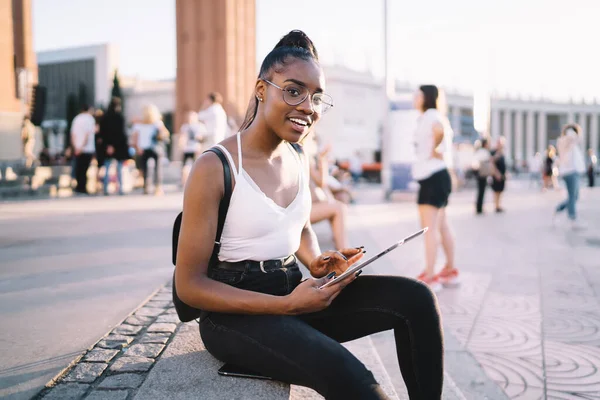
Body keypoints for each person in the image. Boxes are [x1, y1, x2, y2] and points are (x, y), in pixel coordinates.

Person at [175, 30, 443, 399]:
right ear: (261, 89)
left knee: (416, 300)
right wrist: (285, 307)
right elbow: (188, 285)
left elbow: (298, 227)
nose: (308, 106)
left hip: (292, 289)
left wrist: (319, 262)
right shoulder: (215, 166)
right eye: (293, 90)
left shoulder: (298, 157)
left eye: (316, 96)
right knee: (352, 376)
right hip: (233, 317)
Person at [411, 85, 457, 291]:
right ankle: (450, 269)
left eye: (417, 95)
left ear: (426, 98)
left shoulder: (430, 115)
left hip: (432, 176)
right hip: (440, 175)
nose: (414, 97)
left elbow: (438, 130)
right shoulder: (433, 115)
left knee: (429, 228)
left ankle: (430, 276)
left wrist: (435, 148)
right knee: (442, 225)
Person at [307, 139, 349, 248]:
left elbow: (322, 182)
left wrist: (322, 158)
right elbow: (322, 182)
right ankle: (343, 251)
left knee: (337, 203)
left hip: (306, 207)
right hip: (299, 210)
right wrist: (322, 158)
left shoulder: (307, 156)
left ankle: (339, 242)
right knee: (339, 208)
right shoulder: (302, 154)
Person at [131, 104, 170, 195]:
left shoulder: (138, 124)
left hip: (143, 149)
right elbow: (166, 133)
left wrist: (137, 148)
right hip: (156, 148)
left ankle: (146, 187)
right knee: (158, 168)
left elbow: (135, 138)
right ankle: (158, 188)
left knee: (145, 169)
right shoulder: (157, 123)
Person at [554, 124, 586, 229]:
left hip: (573, 171)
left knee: (575, 196)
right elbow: (575, 138)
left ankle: (559, 208)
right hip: (569, 171)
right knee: (573, 196)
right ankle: (572, 218)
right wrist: (574, 132)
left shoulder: (570, 143)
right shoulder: (565, 140)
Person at [99, 97, 129, 195]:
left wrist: (108, 146)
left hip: (107, 146)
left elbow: (102, 133)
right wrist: (115, 146)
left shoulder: (104, 118)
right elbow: (121, 133)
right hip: (118, 146)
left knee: (107, 167)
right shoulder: (119, 117)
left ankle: (105, 188)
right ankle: (120, 188)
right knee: (119, 168)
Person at [70, 104, 96, 194]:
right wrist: (82, 146)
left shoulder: (76, 119)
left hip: (77, 147)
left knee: (78, 168)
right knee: (84, 169)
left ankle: (78, 187)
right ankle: (82, 187)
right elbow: (87, 134)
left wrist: (76, 147)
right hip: (86, 148)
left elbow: (72, 134)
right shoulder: (90, 119)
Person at [179, 111, 207, 186]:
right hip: (187, 149)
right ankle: (184, 182)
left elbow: (203, 138)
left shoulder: (200, 126)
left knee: (196, 166)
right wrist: (181, 146)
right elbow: (182, 137)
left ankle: (196, 181)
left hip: (195, 149)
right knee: (185, 166)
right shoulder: (185, 127)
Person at [473, 137, 494, 215]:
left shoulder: (478, 151)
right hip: (483, 174)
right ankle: (480, 208)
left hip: (479, 173)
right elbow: (489, 161)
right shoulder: (485, 152)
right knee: (482, 191)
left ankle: (479, 207)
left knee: (480, 191)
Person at [491, 137, 507, 212]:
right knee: (496, 190)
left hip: (502, 175)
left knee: (500, 190)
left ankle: (498, 205)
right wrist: (496, 173)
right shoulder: (494, 152)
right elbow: (492, 163)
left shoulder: (502, 152)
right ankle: (496, 206)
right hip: (496, 175)